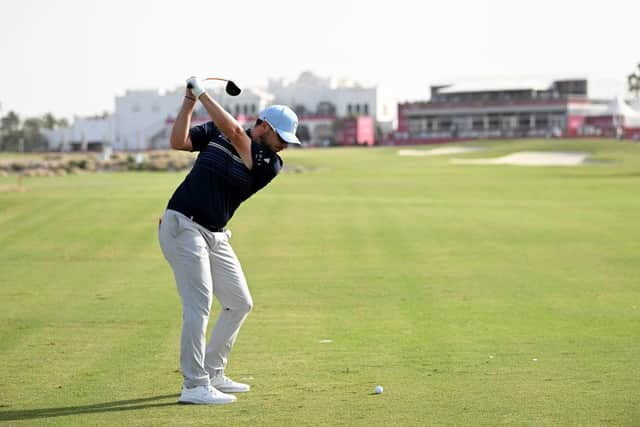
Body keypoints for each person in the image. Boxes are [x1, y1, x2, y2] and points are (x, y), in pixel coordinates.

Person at [158, 77, 301, 404]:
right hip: (183, 225)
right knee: (199, 303)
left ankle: (213, 371)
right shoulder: (216, 131)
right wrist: (189, 102)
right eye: (282, 137)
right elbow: (178, 142)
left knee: (240, 302)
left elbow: (237, 134)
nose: (285, 145)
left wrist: (203, 92)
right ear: (264, 126)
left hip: (215, 235)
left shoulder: (270, 164)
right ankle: (194, 385)